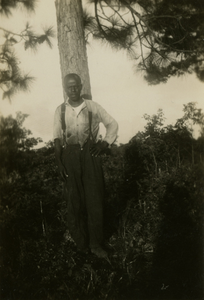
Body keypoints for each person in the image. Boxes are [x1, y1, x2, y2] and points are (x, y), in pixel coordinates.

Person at [53, 73, 118, 258]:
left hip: (91, 155)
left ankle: (96, 245)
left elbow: (112, 124)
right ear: (65, 88)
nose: (73, 90)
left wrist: (104, 144)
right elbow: (57, 138)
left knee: (95, 199)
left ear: (81, 87)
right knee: (74, 202)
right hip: (70, 156)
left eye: (76, 86)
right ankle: (81, 245)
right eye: (69, 87)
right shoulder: (60, 110)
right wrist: (59, 163)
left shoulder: (92, 107)